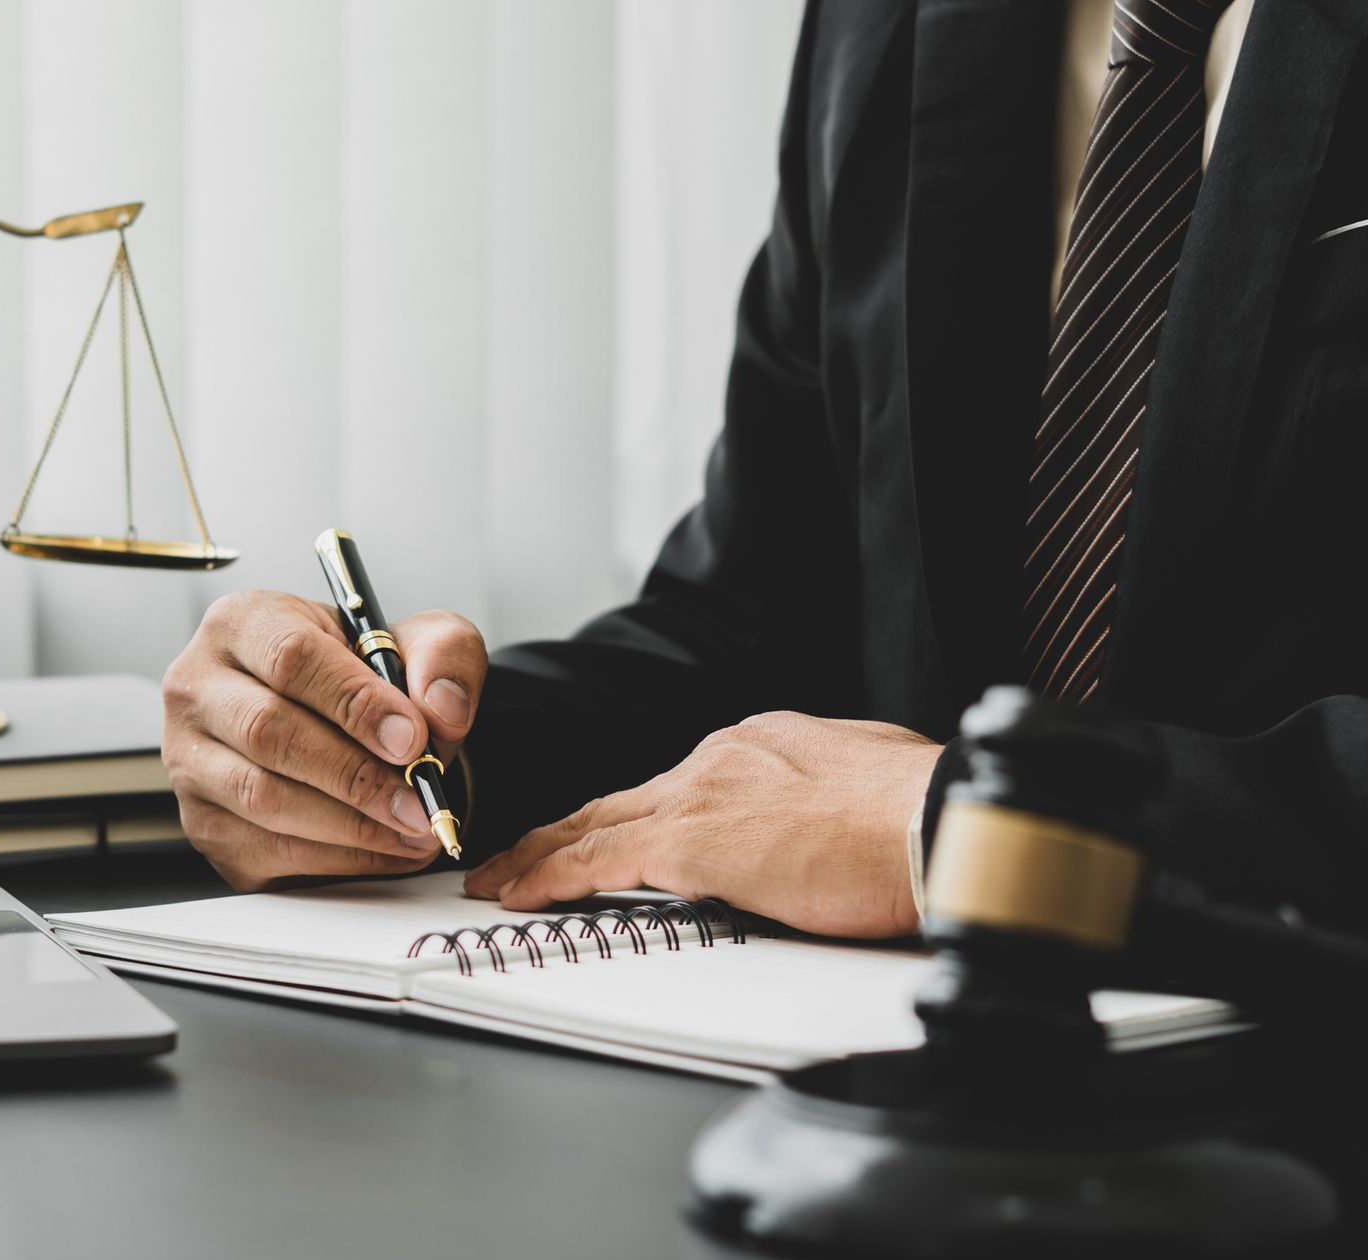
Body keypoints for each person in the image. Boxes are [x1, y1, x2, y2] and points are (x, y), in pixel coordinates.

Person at [162, 0, 1368, 938]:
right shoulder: (881, 28)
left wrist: (979, 823)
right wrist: (406, 755)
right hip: (898, 1114)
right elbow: (758, 619)